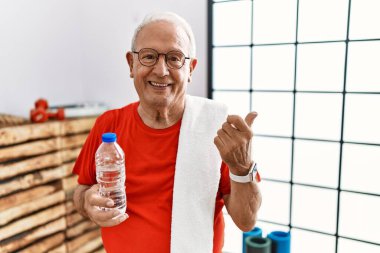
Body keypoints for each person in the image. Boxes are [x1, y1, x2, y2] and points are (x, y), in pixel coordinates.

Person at [72, 11, 262, 253]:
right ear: (131, 64)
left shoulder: (217, 129)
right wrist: (87, 202)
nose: (161, 71)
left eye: (174, 58)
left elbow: (246, 221)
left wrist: (242, 168)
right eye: (149, 57)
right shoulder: (108, 126)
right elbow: (81, 190)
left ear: (191, 68)